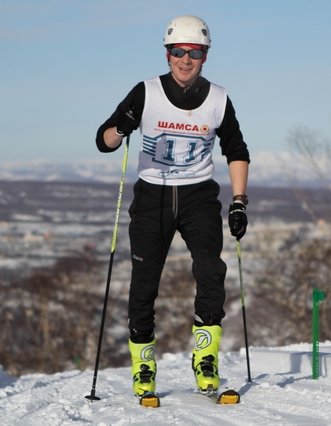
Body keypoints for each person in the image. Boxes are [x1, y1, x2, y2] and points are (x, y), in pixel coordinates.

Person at [95, 15, 250, 398]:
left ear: (205, 56)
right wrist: (123, 125)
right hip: (153, 196)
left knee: (211, 271)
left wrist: (239, 202)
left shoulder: (219, 99)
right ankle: (144, 365)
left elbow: (237, 150)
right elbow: (104, 141)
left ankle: (205, 360)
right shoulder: (146, 92)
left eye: (194, 51)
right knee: (145, 284)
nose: (185, 59)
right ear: (167, 55)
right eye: (178, 51)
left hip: (199, 195)